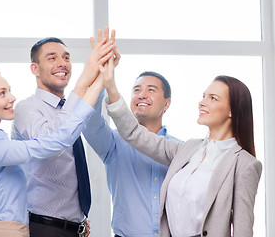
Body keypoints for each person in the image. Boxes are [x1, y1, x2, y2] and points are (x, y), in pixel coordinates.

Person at [0, 39, 113, 237]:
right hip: (38, 228)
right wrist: (92, 78)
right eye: (2, 93)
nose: (12, 98)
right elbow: (57, 141)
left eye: (66, 57)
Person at [100, 55, 262, 237]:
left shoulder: (245, 164)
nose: (202, 102)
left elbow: (243, 230)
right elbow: (134, 134)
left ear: (232, 110)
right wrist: (110, 85)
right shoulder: (187, 149)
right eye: (203, 96)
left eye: (213, 98)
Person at [10, 33, 118, 237]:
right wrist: (85, 80)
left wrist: (102, 75)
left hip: (76, 229)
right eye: (52, 58)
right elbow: (53, 141)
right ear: (35, 69)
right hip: (43, 227)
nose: (62, 63)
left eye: (66, 57)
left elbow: (90, 116)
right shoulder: (26, 109)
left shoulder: (71, 109)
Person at [83, 68, 180, 236]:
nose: (141, 95)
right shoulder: (113, 143)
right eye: (136, 90)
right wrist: (102, 78)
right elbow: (90, 121)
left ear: (167, 103)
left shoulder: (179, 149)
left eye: (151, 89)